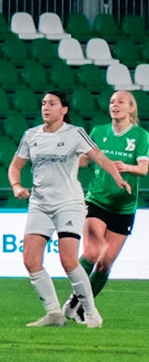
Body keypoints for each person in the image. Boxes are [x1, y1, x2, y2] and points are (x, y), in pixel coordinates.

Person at [9, 90, 133, 328]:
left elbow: (99, 157)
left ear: (64, 110)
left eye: (52, 104)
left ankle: (90, 311)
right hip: (39, 203)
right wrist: (16, 185)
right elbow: (15, 166)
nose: (46, 107)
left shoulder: (75, 133)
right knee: (30, 260)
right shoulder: (31, 135)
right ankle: (54, 314)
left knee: (68, 260)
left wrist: (117, 177)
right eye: (44, 103)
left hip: (68, 203)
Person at [70, 89, 149, 318]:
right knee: (93, 253)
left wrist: (126, 167)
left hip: (123, 207)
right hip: (97, 201)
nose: (115, 105)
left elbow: (144, 169)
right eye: (112, 101)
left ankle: (82, 308)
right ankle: (75, 298)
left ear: (131, 108)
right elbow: (84, 161)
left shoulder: (140, 136)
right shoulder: (98, 131)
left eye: (121, 102)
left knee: (105, 264)